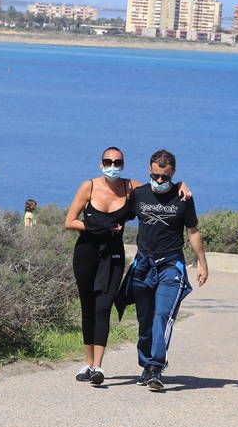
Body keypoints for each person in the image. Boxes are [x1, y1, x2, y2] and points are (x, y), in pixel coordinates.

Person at [64, 147, 191, 386]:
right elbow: (69, 221)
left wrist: (182, 185)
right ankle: (89, 364)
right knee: (88, 308)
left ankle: (99, 367)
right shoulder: (88, 187)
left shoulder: (130, 187)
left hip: (113, 255)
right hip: (86, 253)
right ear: (101, 162)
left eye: (117, 161)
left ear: (123, 164)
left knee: (104, 307)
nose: (113, 165)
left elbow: (158, 187)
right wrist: (95, 228)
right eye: (108, 161)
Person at [122, 149, 208, 392]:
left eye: (165, 177)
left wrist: (202, 262)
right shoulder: (139, 195)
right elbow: (120, 215)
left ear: (173, 174)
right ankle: (146, 364)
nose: (160, 181)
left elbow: (193, 231)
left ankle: (156, 367)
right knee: (145, 318)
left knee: (162, 315)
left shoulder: (183, 198)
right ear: (149, 170)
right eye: (156, 176)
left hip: (171, 265)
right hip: (143, 265)